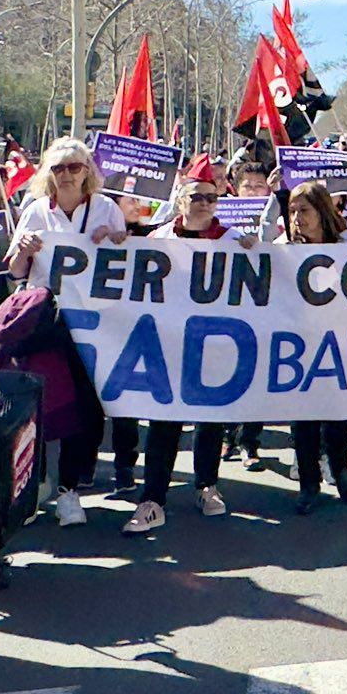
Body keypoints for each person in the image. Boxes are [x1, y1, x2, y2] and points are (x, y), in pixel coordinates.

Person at [122, 157, 250, 537]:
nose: (205, 204)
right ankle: (153, 499)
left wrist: (255, 251)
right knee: (164, 423)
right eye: (197, 196)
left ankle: (206, 485)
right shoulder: (159, 240)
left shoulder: (232, 240)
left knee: (210, 421)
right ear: (181, 200)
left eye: (212, 197)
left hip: (213, 345)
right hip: (168, 346)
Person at [6, 138, 128, 523]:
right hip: (48, 320)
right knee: (40, 402)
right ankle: (34, 480)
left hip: (94, 321)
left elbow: (125, 263)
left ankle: (69, 489)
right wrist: (24, 248)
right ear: (48, 173)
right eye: (58, 168)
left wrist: (116, 241)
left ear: (87, 171)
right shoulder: (37, 210)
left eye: (74, 167)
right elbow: (15, 272)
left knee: (85, 404)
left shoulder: (106, 208)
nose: (66, 175)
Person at [280, 183, 347, 513]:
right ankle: (309, 484)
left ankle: (342, 471)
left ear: (322, 211)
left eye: (305, 211)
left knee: (338, 415)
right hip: (300, 348)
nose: (298, 218)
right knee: (303, 421)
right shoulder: (284, 247)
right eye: (293, 212)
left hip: (338, 343)